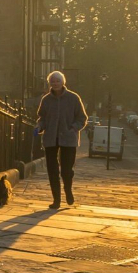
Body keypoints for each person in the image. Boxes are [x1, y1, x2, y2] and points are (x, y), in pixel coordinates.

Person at [36, 70, 88, 209]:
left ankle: (68, 190)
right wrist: (39, 126)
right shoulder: (46, 100)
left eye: (57, 81)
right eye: (52, 81)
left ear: (63, 82)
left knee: (66, 170)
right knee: (52, 171)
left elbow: (82, 118)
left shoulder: (73, 98)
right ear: (50, 83)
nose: (55, 83)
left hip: (68, 140)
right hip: (50, 139)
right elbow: (42, 118)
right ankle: (56, 200)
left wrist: (73, 128)